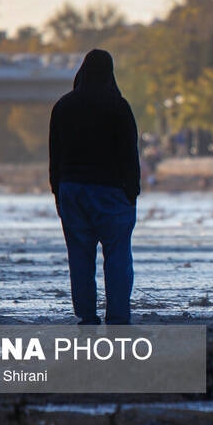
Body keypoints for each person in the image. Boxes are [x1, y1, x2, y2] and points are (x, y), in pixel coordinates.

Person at [49, 49, 140, 325]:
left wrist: (58, 193)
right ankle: (118, 316)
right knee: (117, 256)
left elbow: (55, 157)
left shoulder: (63, 107)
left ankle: (87, 315)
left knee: (79, 255)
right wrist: (132, 194)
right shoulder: (119, 107)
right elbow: (130, 155)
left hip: (72, 191)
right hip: (112, 193)